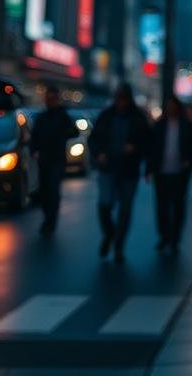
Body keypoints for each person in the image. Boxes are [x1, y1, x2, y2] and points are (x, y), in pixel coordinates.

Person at [88, 85, 151, 264]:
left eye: (123, 98)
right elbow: (93, 139)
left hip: (128, 170)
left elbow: (147, 142)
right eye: (118, 97)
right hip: (108, 168)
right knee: (104, 205)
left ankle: (118, 246)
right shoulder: (107, 116)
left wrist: (135, 149)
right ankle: (110, 234)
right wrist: (99, 154)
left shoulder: (137, 118)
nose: (121, 101)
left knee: (125, 210)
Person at [145, 96, 192, 254]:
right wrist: (149, 169)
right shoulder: (159, 126)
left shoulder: (187, 126)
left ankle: (175, 238)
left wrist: (189, 163)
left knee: (177, 206)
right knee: (162, 206)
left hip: (180, 173)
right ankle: (164, 236)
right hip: (161, 172)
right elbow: (152, 149)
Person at [30, 88, 78, 235]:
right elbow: (34, 136)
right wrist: (34, 151)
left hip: (57, 160)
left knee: (53, 191)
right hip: (44, 159)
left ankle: (51, 221)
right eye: (47, 99)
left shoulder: (63, 116)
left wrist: (63, 134)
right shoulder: (41, 117)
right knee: (44, 191)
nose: (49, 102)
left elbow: (74, 132)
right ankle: (47, 217)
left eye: (52, 99)